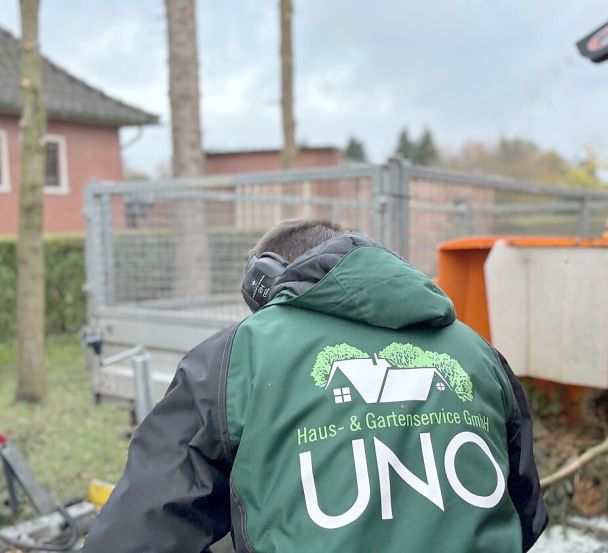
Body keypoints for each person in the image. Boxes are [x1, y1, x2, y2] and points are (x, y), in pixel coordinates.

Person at [83, 220, 548, 552]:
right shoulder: (477, 352)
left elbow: (137, 535)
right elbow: (526, 517)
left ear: (264, 285)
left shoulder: (235, 357)